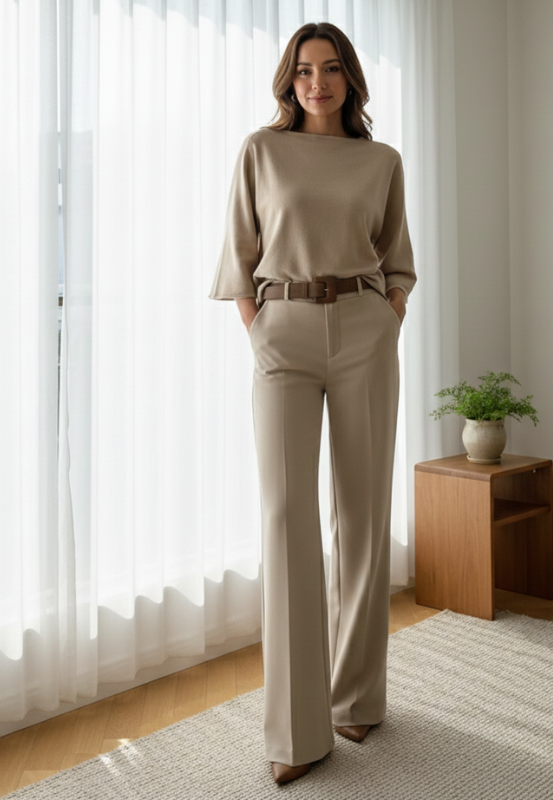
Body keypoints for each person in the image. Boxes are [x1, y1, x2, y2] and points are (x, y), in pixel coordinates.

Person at [209, 21, 416, 785]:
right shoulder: (261, 151)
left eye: (329, 70)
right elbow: (238, 256)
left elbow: (399, 258)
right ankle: (296, 733)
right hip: (283, 330)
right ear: (288, 81)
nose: (316, 83)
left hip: (365, 328)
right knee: (287, 518)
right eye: (302, 71)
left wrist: (387, 315)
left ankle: (358, 694)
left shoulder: (381, 160)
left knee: (362, 514)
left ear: (350, 79)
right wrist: (260, 330)